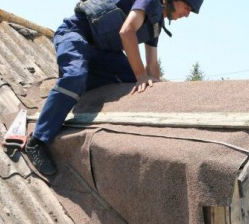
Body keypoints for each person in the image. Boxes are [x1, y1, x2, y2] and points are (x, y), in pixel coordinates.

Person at [25, 0, 203, 175]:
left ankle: (80, 93)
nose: (187, 14)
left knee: (130, 84)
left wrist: (156, 95)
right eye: (187, 7)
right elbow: (127, 32)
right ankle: (37, 140)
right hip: (76, 35)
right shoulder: (150, 2)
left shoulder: (156, 23)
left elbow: (152, 64)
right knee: (75, 77)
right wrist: (141, 76)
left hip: (104, 53)